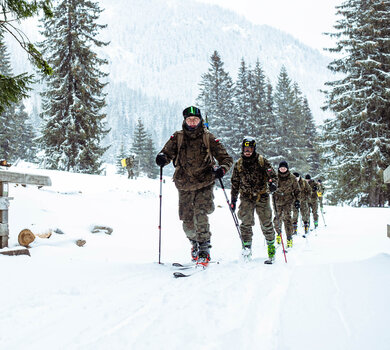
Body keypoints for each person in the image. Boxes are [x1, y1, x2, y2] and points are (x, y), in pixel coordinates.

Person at [155, 106, 233, 267]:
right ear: (185, 120)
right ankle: (194, 244)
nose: (192, 122)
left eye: (195, 120)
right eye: (189, 120)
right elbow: (167, 153)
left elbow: (226, 158)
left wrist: (222, 169)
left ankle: (204, 250)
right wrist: (162, 158)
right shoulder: (178, 137)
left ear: (200, 121)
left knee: (201, 214)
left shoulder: (208, 137)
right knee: (187, 220)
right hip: (183, 184)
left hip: (205, 182)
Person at [230, 137, 278, 261]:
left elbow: (272, 175)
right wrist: (233, 200)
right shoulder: (239, 164)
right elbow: (235, 183)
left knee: (266, 222)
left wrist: (273, 184)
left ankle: (271, 246)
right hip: (246, 197)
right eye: (245, 149)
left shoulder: (262, 161)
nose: (247, 151)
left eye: (250, 149)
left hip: (262, 196)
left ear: (254, 149)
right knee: (245, 223)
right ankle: (247, 248)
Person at [273, 161, 300, 248]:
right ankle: (278, 233)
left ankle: (289, 238)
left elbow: (297, 190)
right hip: (277, 200)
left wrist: (297, 200)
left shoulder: (292, 178)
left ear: (287, 168)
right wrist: (270, 188)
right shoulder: (275, 177)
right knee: (277, 218)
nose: (283, 169)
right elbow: (268, 188)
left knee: (287, 219)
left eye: (284, 168)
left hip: (288, 200)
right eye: (281, 168)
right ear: (279, 168)